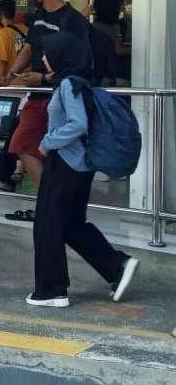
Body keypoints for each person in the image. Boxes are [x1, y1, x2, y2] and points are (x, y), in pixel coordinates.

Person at [27, 32, 139, 307]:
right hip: (80, 166)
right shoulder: (79, 81)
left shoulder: (68, 84)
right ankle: (117, 266)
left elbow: (78, 125)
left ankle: (52, 290)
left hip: (65, 163)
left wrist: (46, 142)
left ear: (61, 55)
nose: (43, 58)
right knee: (71, 225)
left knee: (48, 224)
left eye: (48, 53)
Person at [0, 0, 92, 191]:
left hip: (63, 96)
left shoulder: (74, 21)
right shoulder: (38, 17)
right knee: (22, 144)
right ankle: (47, 199)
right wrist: (8, 76)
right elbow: (28, 49)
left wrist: (45, 78)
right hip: (37, 96)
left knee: (63, 152)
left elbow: (81, 66)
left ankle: (54, 203)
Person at [88, 0, 126, 86]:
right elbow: (119, 50)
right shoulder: (116, 26)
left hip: (98, 74)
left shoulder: (92, 28)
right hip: (112, 73)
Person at [0, 0, 29, 83]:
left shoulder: (2, 33)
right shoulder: (27, 29)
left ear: (0, 15)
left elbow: (2, 61)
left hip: (12, 84)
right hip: (28, 82)